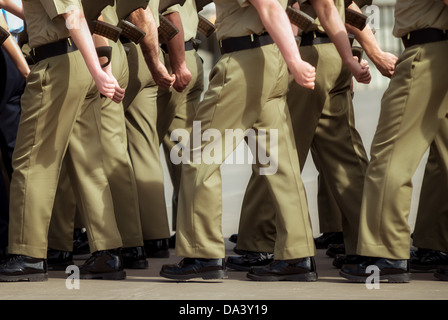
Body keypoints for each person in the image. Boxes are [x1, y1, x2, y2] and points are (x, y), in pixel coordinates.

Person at [160, 0, 318, 282]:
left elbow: (268, 6)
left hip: (245, 61)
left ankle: (203, 253)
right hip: (270, 56)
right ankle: (297, 254)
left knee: (199, 156)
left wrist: (295, 61)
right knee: (279, 163)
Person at [227, 0, 377, 272]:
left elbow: (294, 10)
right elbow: (342, 9)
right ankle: (371, 243)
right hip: (332, 50)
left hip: (305, 53)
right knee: (345, 158)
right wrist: (357, 55)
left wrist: (289, 58)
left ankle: (259, 242)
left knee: (276, 152)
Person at [0, 0, 125, 282]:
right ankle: (108, 251)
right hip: (78, 60)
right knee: (88, 163)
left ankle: (28, 255)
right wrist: (101, 66)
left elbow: (73, 15)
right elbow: (77, 16)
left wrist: (99, 71)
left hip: (59, 66)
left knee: (32, 160)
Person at [340, 0, 448, 283]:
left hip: (428, 52)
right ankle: (435, 244)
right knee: (442, 158)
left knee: (391, 154)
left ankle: (387, 253)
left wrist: (372, 51)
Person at [47, 0, 148, 271]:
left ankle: (61, 245)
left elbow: (91, 17)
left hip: (94, 48)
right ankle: (129, 244)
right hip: (107, 48)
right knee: (112, 154)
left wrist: (103, 66)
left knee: (76, 155)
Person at [120, 0, 177, 259]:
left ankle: (128, 240)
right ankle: (156, 237)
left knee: (107, 148)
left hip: (124, 54)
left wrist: (155, 63)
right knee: (144, 147)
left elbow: (139, 13)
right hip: (144, 53)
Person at [155, 0, 205, 257]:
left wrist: (179, 64)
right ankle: (187, 229)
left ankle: (187, 232)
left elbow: (172, 16)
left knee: (177, 152)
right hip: (189, 55)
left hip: (176, 59)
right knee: (186, 150)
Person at [0, 5, 28, 261]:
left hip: (8, 53)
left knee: (14, 153)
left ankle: (14, 242)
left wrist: (24, 69)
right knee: (14, 151)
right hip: (12, 52)